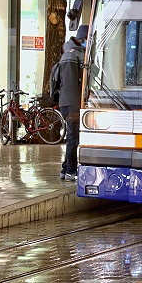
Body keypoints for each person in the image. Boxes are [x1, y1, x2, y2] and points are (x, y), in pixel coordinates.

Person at [50, 25, 87, 182]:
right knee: (73, 138)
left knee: (73, 137)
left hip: (69, 102)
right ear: (84, 39)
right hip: (72, 103)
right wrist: (76, 107)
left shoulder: (71, 53)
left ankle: (65, 169)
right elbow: (72, 85)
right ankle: (71, 170)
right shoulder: (72, 56)